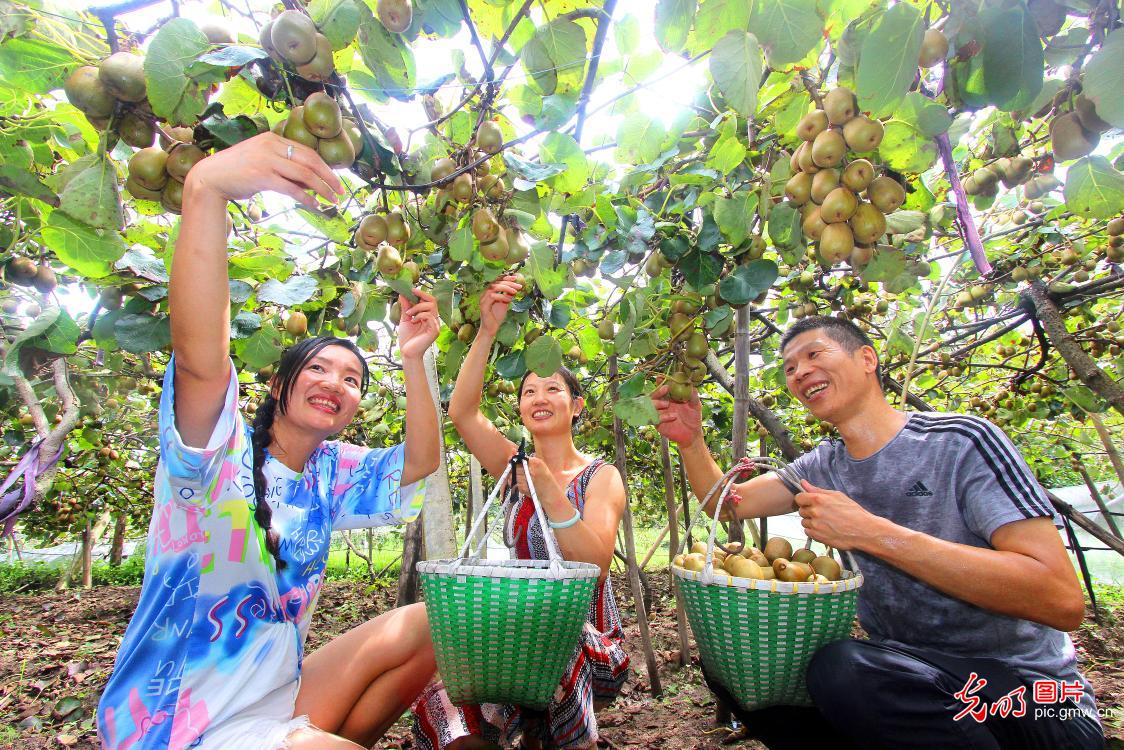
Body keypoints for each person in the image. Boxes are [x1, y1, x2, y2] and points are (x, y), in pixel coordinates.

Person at [96, 132, 443, 750]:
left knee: (432, 623)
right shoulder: (216, 453)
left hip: (276, 694)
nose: (336, 383)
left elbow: (421, 461)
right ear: (280, 384)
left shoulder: (331, 471)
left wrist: (413, 360)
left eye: (354, 379)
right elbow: (201, 360)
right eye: (318, 368)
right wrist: (206, 190)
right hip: (178, 720)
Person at [652, 315, 1105, 750]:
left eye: (814, 354)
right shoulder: (822, 465)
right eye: (790, 368)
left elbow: (1060, 600)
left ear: (868, 359)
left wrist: (872, 534)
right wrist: (692, 443)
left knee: (843, 669)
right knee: (742, 669)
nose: (801, 372)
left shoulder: (961, 442)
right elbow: (727, 504)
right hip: (909, 679)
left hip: (1029, 696)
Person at [412, 276, 630, 750]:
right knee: (449, 686)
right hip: (515, 629)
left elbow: (593, 569)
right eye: (529, 390)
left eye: (552, 388)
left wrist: (551, 493)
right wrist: (488, 330)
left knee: (553, 641)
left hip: (587, 639)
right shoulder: (513, 466)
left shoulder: (602, 477)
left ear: (576, 407)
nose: (539, 398)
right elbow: (463, 413)